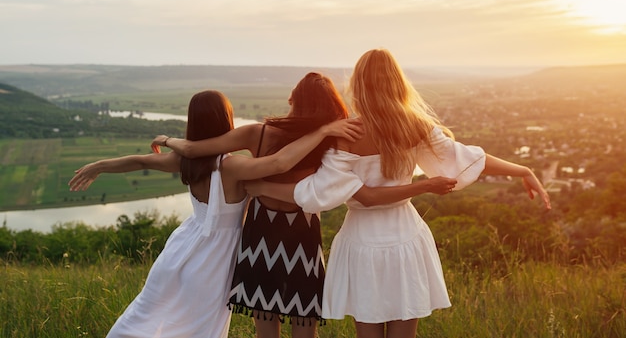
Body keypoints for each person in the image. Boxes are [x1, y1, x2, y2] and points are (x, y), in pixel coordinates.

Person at [244, 48, 552, 338]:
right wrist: (522, 170)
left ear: (358, 86)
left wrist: (260, 186)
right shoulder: (415, 125)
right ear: (397, 83)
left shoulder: (349, 133)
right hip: (406, 238)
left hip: (362, 243)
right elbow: (466, 159)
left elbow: (319, 193)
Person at [149, 73, 455, 338]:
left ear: (295, 99)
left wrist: (168, 139)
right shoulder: (327, 140)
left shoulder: (259, 133)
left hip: (261, 228)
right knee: (304, 318)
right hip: (302, 227)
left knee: (264, 318)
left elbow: (194, 148)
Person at [68, 89, 362, 338]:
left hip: (182, 247)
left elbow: (138, 160)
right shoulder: (231, 167)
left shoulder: (183, 161)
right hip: (216, 256)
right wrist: (322, 130)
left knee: (151, 312)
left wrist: (100, 166)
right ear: (226, 120)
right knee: (201, 327)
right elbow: (279, 164)